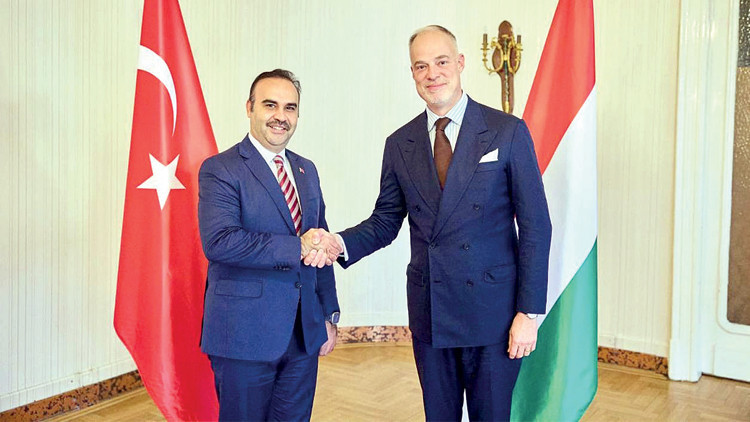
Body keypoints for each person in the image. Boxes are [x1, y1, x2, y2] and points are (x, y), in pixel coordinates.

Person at [307, 26, 552, 421]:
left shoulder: (507, 132)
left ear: (460, 63)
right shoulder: (399, 143)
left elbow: (536, 226)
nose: (432, 73)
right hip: (431, 312)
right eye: (421, 66)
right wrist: (339, 242)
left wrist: (529, 312)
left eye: (441, 62)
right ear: (412, 74)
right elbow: (385, 221)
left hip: (495, 313)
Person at [198, 69, 342, 421]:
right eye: (270, 105)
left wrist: (328, 315)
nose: (281, 116)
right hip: (244, 336)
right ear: (249, 108)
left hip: (304, 334)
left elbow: (320, 243)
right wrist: (296, 247)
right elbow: (220, 242)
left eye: (290, 107)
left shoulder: (307, 170)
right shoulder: (221, 169)